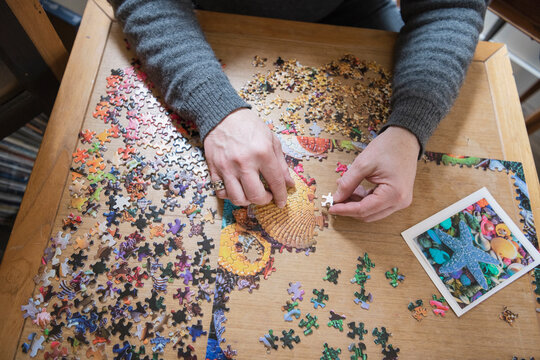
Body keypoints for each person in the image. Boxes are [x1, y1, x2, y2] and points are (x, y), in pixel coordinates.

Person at [110, 0, 488, 222]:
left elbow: (451, 5)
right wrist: (215, 106)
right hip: (206, 18)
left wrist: (410, 129)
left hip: (356, 12)